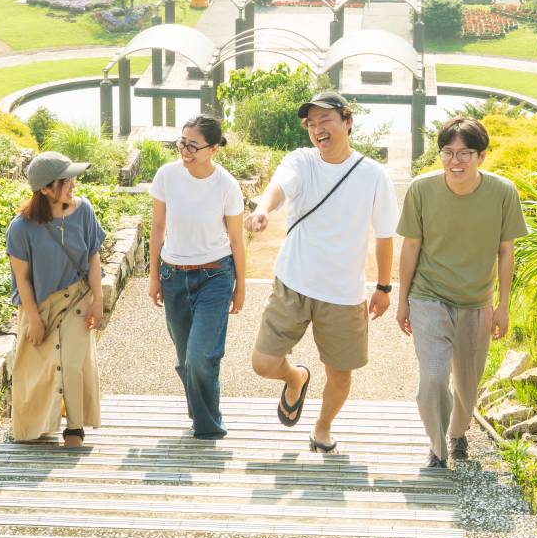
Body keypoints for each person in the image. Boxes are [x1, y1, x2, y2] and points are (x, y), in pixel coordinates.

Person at [245, 90, 397, 453]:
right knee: (264, 363)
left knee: (340, 373)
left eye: (325, 120)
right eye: (311, 124)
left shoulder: (373, 175)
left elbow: (385, 236)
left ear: (348, 121)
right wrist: (264, 208)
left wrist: (384, 287)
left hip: (342, 293)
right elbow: (280, 187)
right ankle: (295, 377)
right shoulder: (301, 161)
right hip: (293, 282)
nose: (317, 129)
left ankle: (322, 428)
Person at [396, 115, 527, 468]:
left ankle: (457, 433)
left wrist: (503, 306)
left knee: (467, 387)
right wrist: (402, 301)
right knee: (434, 376)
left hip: (476, 301)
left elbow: (505, 251)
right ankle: (438, 448)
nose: (455, 161)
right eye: (448, 152)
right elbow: (410, 246)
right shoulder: (422, 190)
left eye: (465, 153)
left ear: (481, 157)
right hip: (428, 296)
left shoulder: (502, 192)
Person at [147, 113, 248, 438]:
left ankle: (208, 427)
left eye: (193, 146)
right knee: (184, 358)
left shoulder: (226, 186)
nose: (185, 151)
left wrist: (241, 286)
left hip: (215, 277)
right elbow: (158, 227)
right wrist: (153, 277)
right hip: (173, 275)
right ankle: (201, 413)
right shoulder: (167, 176)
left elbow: (236, 239)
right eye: (182, 143)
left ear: (214, 148)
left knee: (199, 356)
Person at [6, 151, 106, 447]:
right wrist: (34, 319)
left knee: (74, 364)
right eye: (66, 180)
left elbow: (93, 256)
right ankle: (37, 425)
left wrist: (97, 299)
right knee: (41, 368)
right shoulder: (21, 227)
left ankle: (75, 429)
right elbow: (21, 278)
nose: (74, 183)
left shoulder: (84, 210)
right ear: (46, 188)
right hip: (41, 306)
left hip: (77, 300)